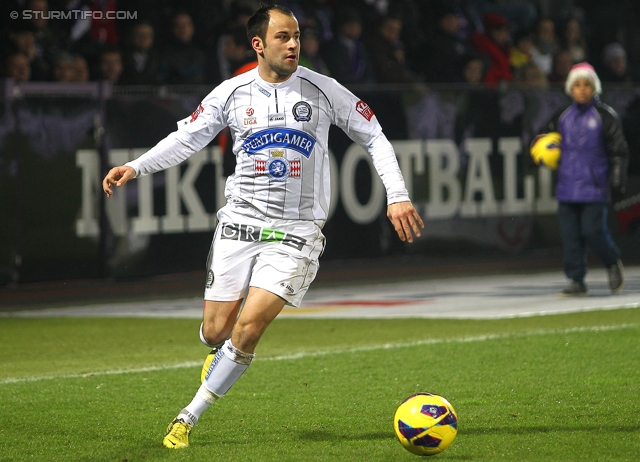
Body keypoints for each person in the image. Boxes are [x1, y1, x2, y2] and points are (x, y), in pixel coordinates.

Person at [101, 4, 423, 449]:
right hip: (241, 222)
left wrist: (398, 194)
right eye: (283, 37)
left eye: (297, 36)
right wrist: (135, 167)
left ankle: (187, 417)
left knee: (248, 329)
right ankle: (221, 352)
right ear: (258, 44)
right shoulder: (232, 94)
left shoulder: (323, 90)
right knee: (216, 332)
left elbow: (374, 134)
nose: (294, 45)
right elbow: (186, 138)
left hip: (297, 230)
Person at [536, 62, 628, 296]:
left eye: (586, 84)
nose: (582, 89)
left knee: (593, 231)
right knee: (570, 238)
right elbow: (543, 140)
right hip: (567, 187)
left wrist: (617, 180)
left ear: (594, 87)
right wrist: (537, 155)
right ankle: (576, 280)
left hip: (594, 187)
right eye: (577, 85)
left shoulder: (605, 116)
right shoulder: (562, 116)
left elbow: (618, 150)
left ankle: (611, 261)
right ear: (570, 88)